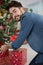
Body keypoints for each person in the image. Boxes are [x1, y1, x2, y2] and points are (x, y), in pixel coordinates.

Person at [0, 1, 43, 65]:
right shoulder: (29, 16)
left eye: (15, 11)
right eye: (11, 14)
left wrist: (7, 46)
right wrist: (26, 40)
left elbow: (18, 42)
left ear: (21, 8)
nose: (14, 15)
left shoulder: (27, 18)